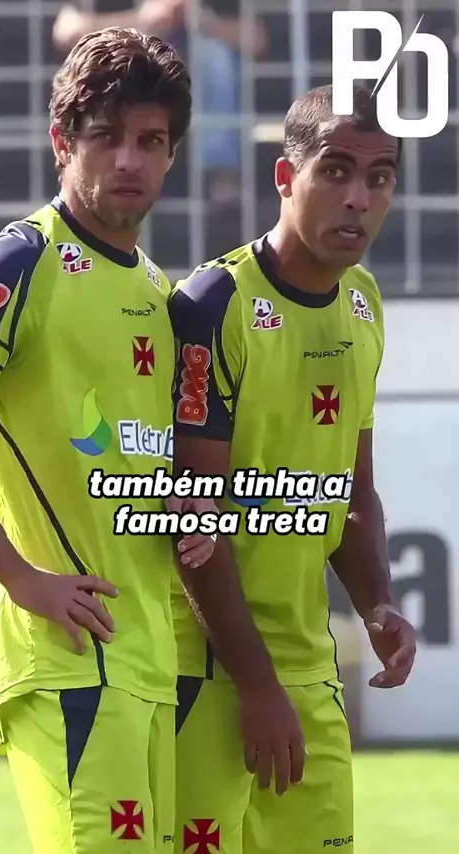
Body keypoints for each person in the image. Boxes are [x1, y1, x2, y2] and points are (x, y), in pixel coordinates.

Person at [0, 27, 215, 854]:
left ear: (172, 155)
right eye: (106, 136)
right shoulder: (18, 263)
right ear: (61, 142)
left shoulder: (159, 292)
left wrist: (187, 509)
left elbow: (142, 460)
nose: (127, 160)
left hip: (148, 661)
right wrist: (21, 578)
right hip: (64, 656)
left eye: (150, 141)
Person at [168, 84, 417, 854]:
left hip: (308, 677)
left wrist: (376, 603)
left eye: (379, 177)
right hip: (204, 676)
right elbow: (190, 516)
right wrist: (256, 685)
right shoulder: (213, 303)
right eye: (335, 171)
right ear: (286, 177)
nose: (358, 198)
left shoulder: (364, 302)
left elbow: (352, 490)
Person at [52, 1, 267, 205]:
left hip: (197, 80)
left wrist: (206, 24)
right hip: (129, 72)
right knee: (130, 60)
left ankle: (221, 174)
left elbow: (257, 38)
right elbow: (66, 31)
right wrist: (139, 21)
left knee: (216, 58)